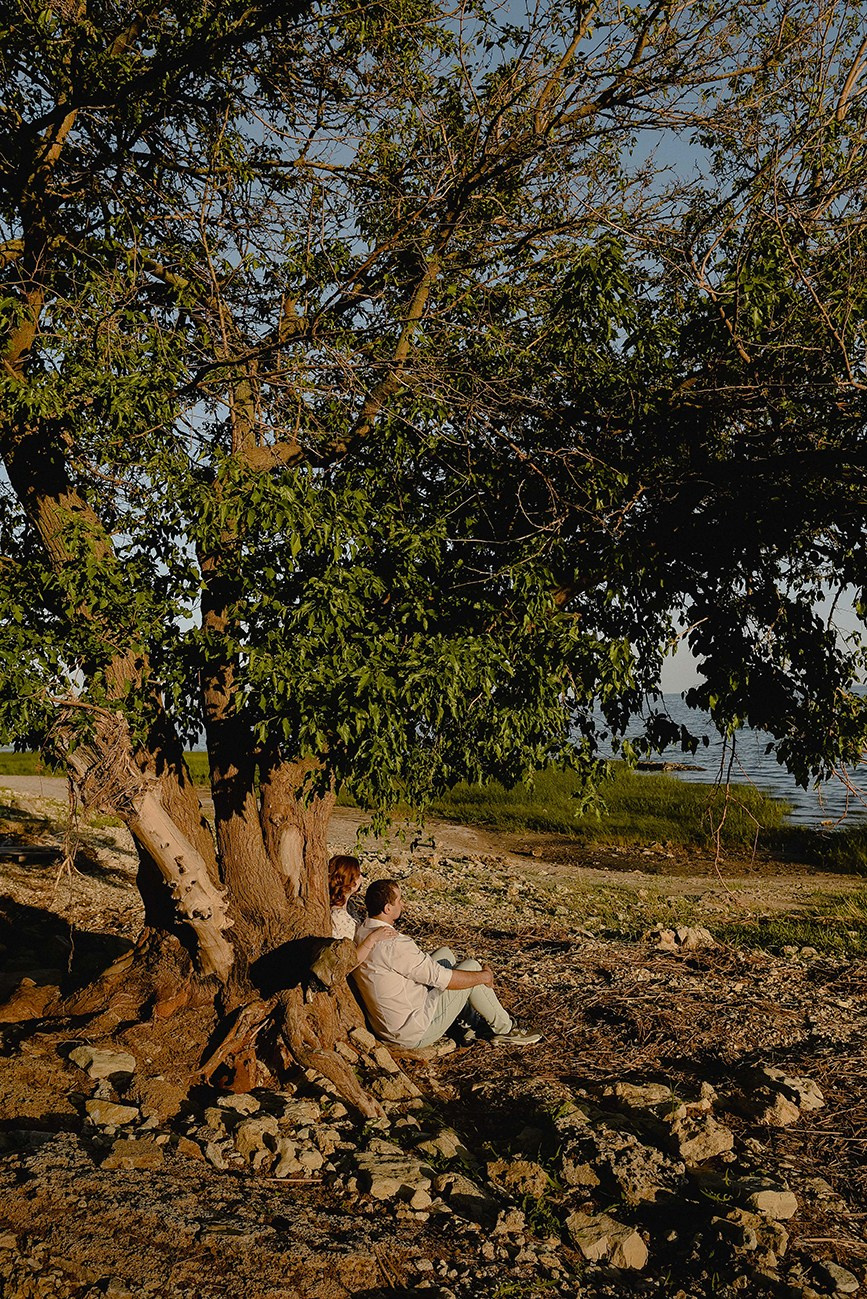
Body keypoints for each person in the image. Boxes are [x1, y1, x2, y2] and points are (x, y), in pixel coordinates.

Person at [352, 878, 542, 1049]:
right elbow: (447, 980)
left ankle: (469, 1021)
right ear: (387, 909)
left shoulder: (362, 931)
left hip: (392, 1022)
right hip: (412, 1032)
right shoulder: (396, 945)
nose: (403, 903)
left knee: (445, 954)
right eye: (399, 900)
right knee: (472, 967)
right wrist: (484, 977)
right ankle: (505, 1029)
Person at [327, 854, 396, 965]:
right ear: (350, 881)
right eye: (358, 875)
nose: (361, 878)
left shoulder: (345, 908)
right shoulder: (339, 916)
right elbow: (348, 962)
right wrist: (373, 938)